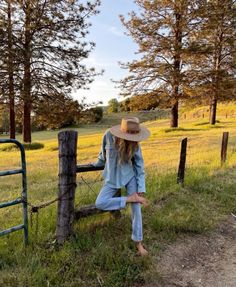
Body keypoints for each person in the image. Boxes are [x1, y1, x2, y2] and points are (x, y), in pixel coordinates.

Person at [92, 117, 150, 256]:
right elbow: (102, 155)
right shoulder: (108, 135)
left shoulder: (135, 143)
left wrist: (140, 187)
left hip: (129, 176)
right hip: (111, 178)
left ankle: (139, 244)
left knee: (136, 210)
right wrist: (95, 164)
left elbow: (139, 165)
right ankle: (130, 199)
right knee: (100, 203)